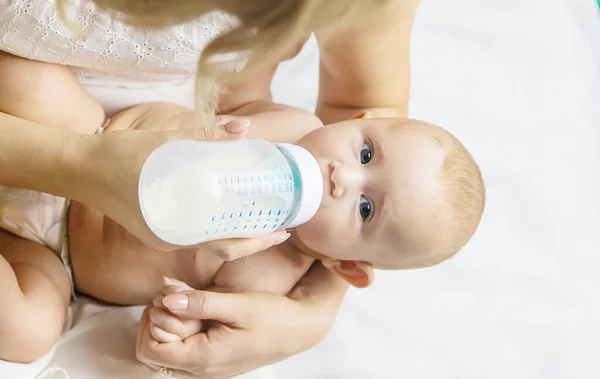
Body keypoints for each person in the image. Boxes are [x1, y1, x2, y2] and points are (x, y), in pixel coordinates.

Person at [0, 0, 423, 376]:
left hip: (60, 256)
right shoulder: (295, 128)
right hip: (87, 132)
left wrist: (179, 323)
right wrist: (255, 50)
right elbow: (235, 88)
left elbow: (195, 317)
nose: (342, 178)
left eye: (365, 208)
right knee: (31, 83)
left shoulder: (271, 280)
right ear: (356, 123)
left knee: (28, 331)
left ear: (346, 264)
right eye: (365, 155)